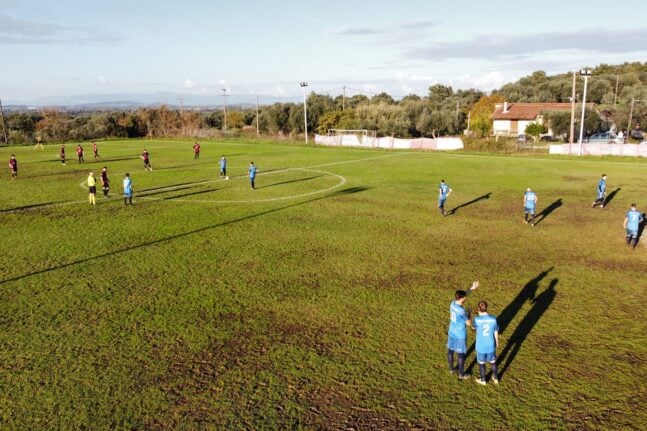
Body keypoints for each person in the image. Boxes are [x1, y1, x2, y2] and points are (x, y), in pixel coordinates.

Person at [447, 281, 479, 380]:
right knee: (461, 355)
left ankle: (451, 369)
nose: (465, 298)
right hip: (460, 334)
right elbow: (469, 323)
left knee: (450, 351)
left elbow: (463, 294)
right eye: (464, 297)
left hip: (451, 332)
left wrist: (471, 289)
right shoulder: (461, 311)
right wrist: (469, 313)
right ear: (461, 298)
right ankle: (461, 374)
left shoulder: (452, 303)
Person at [472, 301, 500, 385]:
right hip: (490, 344)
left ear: (478, 309)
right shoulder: (493, 319)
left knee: (481, 363)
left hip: (480, 346)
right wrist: (497, 342)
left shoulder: (477, 319)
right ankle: (495, 378)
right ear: (486, 308)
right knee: (493, 361)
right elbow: (496, 331)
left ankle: (483, 380)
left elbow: (473, 327)